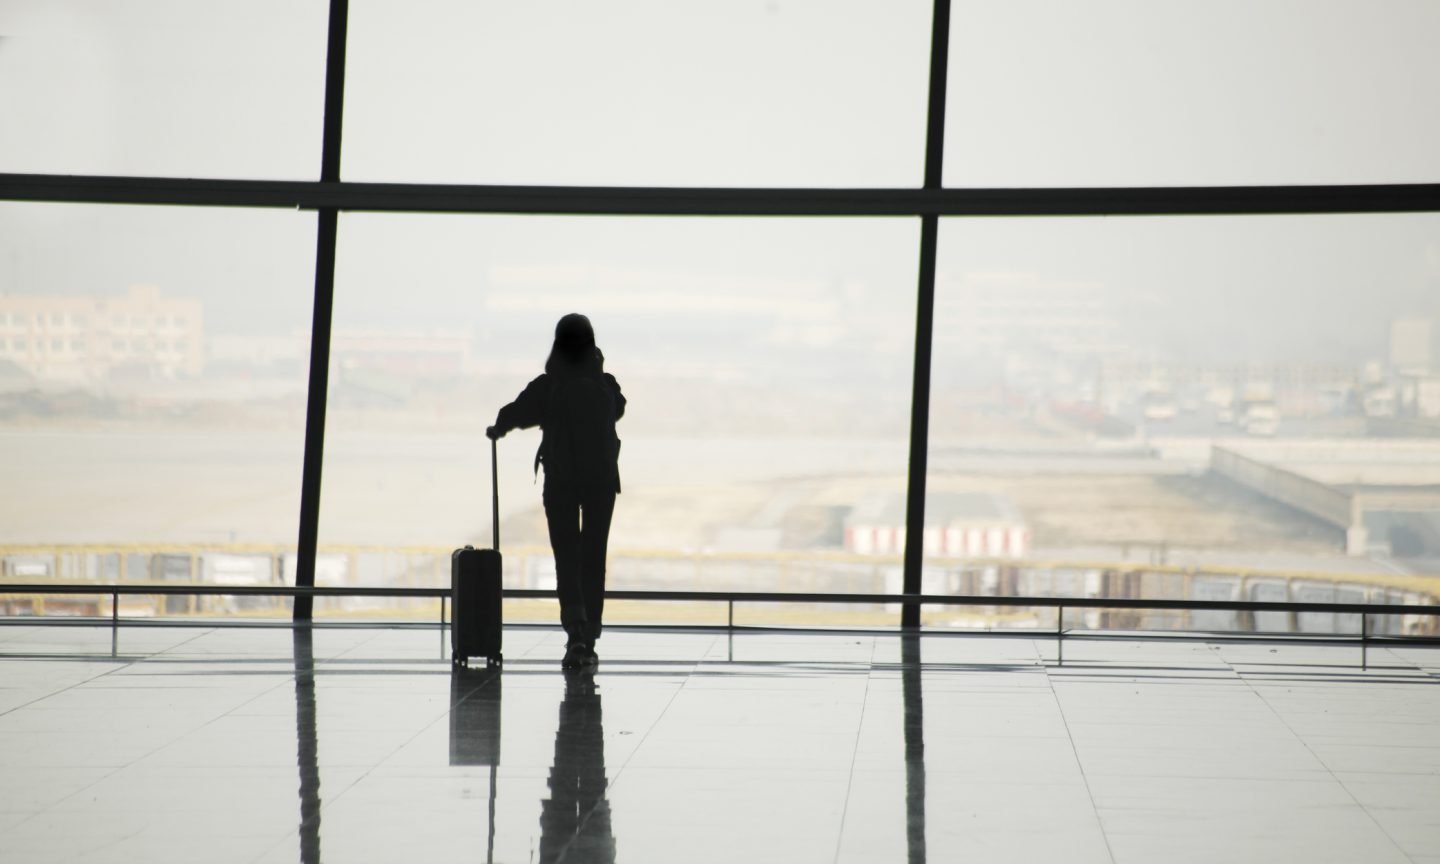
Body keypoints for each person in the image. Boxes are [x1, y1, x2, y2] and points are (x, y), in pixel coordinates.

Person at [487, 313, 624, 669]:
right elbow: (619, 410)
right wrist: (598, 370)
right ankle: (590, 636)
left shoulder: (549, 386)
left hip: (561, 482)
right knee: (593, 555)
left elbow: (518, 412)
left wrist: (498, 428)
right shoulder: (605, 384)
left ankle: (575, 632)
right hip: (601, 483)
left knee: (566, 556)